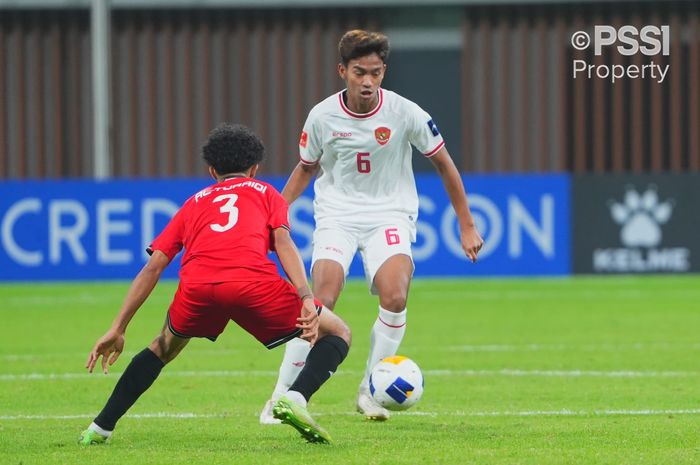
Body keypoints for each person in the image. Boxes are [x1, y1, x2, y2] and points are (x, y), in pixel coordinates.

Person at [259, 30, 483, 423]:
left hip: (389, 214)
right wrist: (274, 212)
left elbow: (444, 163)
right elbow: (305, 168)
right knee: (319, 300)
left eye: (376, 73)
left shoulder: (405, 112)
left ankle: (370, 391)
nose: (367, 81)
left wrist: (466, 224)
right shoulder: (322, 115)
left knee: (395, 296)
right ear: (342, 70)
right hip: (337, 214)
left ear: (384, 72)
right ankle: (281, 397)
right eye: (359, 72)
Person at [79, 123, 351, 446]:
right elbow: (283, 241)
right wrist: (306, 296)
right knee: (337, 332)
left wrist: (118, 326)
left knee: (162, 347)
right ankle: (295, 398)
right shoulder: (267, 194)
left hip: (197, 287)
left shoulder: (193, 203)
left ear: (212, 170)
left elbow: (153, 267)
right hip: (252, 283)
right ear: (254, 168)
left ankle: (100, 427)